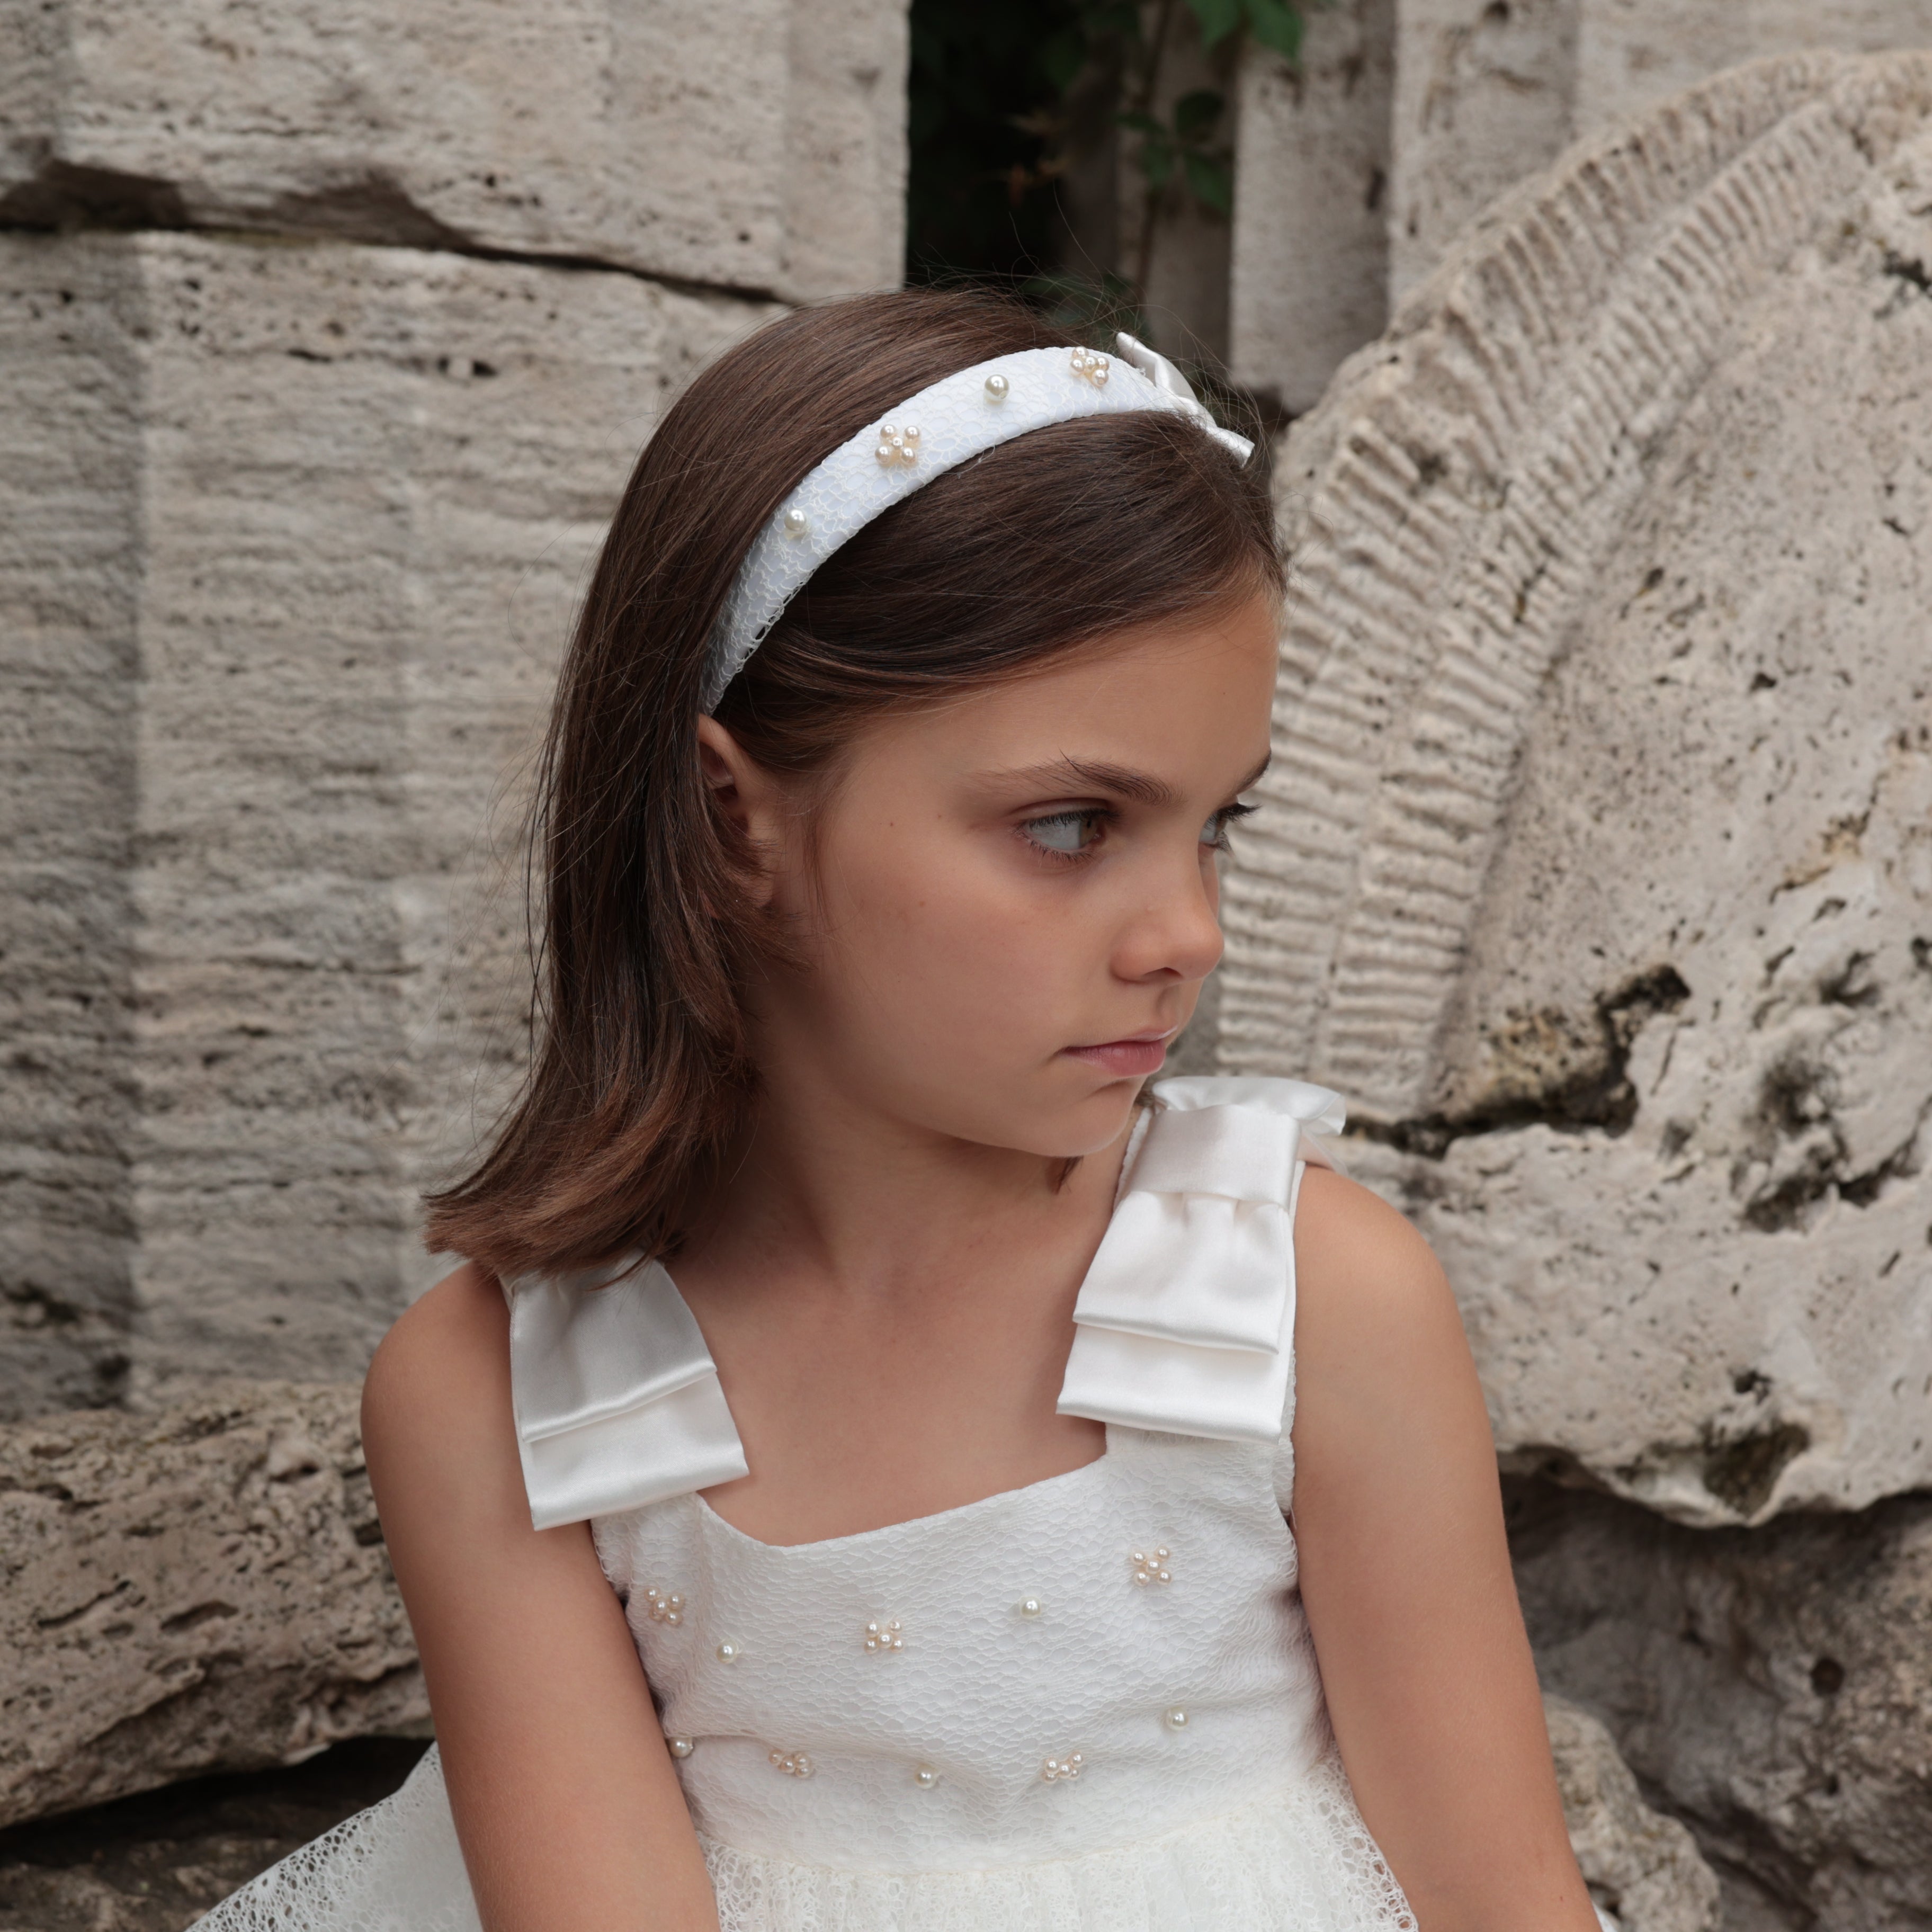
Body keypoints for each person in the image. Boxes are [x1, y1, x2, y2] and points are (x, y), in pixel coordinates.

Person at [200, 289, 1606, 1931]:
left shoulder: (1314, 1302)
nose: (1187, 936)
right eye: (1075, 826)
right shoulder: (497, 1404)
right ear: (736, 822)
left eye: (1219, 824)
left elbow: (1505, 1901)